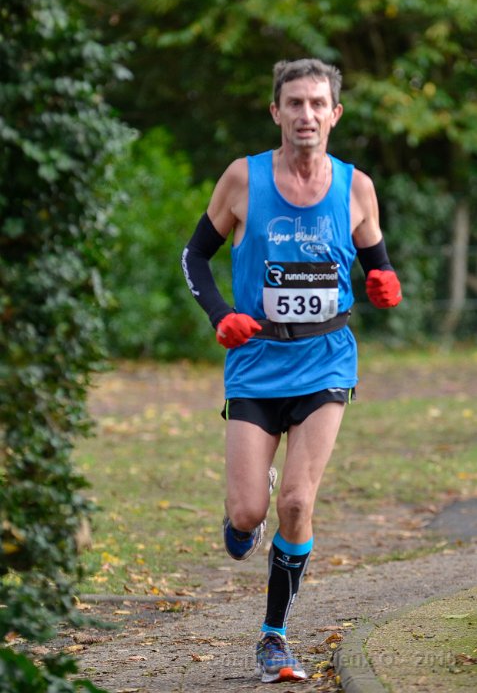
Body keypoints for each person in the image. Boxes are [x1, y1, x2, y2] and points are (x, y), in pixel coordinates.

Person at [181, 58, 402, 683]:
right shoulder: (243, 180)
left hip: (325, 360)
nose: (307, 114)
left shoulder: (356, 188)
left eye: (318, 104)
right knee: (247, 514)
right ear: (276, 111)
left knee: (299, 503)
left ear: (335, 114)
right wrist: (221, 315)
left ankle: (274, 637)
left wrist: (384, 281)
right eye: (295, 103)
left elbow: (377, 261)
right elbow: (194, 256)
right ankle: (246, 511)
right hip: (255, 362)